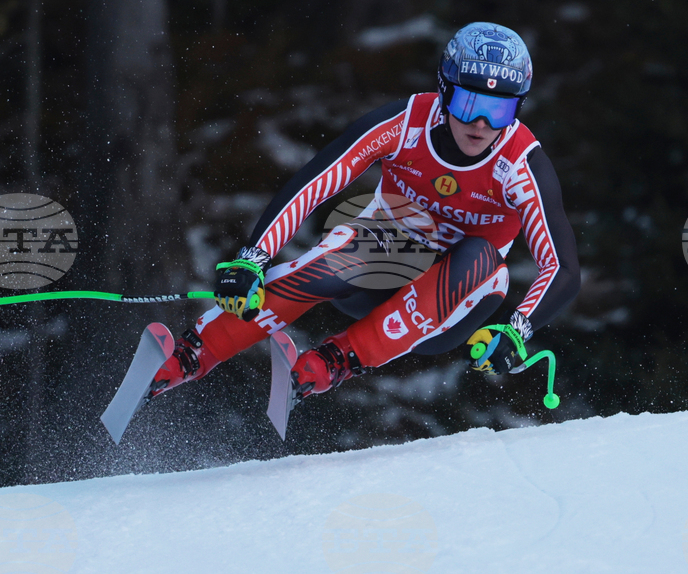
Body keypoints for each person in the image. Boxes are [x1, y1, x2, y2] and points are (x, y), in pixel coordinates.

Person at [148, 22, 581, 405]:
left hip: (451, 306)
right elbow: (319, 179)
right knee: (326, 265)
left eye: (500, 109)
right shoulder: (407, 122)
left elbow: (560, 267)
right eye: (470, 104)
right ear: (445, 91)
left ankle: (337, 359)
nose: (482, 124)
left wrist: (518, 331)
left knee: (483, 258)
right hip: (384, 261)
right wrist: (254, 257)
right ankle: (194, 353)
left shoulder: (523, 164)